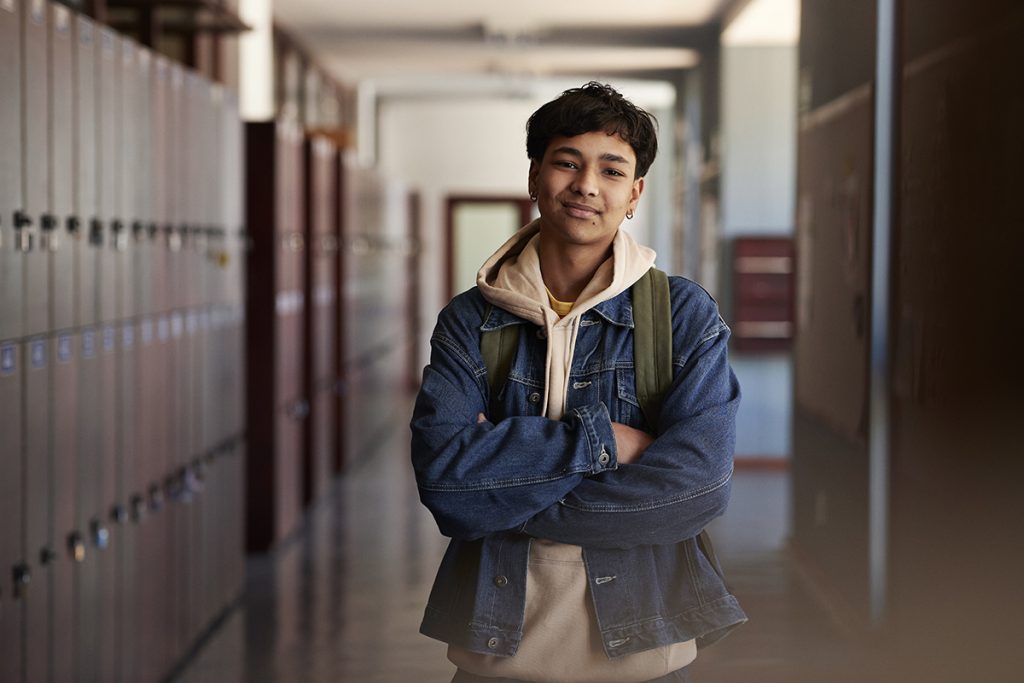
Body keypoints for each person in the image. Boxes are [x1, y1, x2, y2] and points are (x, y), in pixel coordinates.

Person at [410, 82, 746, 683]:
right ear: (535, 176)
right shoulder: (470, 321)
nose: (587, 185)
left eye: (612, 170)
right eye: (567, 162)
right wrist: (604, 442)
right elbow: (445, 485)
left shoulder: (682, 317)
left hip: (645, 655)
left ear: (634, 193)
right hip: (497, 656)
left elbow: (697, 489)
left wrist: (504, 499)